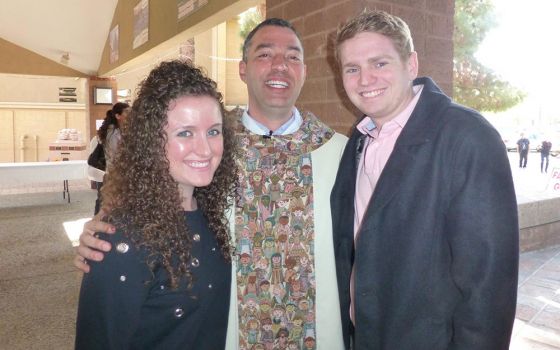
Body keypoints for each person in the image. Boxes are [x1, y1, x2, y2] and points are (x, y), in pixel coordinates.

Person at [74, 18, 348, 349]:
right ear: (243, 69)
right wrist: (105, 230)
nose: (280, 66)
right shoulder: (213, 150)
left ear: (305, 70)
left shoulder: (343, 154)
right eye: (265, 54)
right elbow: (149, 197)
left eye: (293, 56)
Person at [330, 10, 519, 349]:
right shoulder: (357, 139)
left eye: (380, 63)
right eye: (352, 69)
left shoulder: (467, 137)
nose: (365, 79)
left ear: (412, 64)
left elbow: (488, 285)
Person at [75, 60, 237, 349]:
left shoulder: (211, 214)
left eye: (214, 131)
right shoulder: (121, 239)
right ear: (152, 141)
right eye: (185, 133)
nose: (205, 148)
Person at [91, 102, 130, 214]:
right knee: (107, 204)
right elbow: (115, 155)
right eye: (127, 112)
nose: (130, 114)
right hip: (114, 174)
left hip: (115, 173)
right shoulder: (113, 133)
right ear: (118, 116)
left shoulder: (119, 131)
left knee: (106, 202)